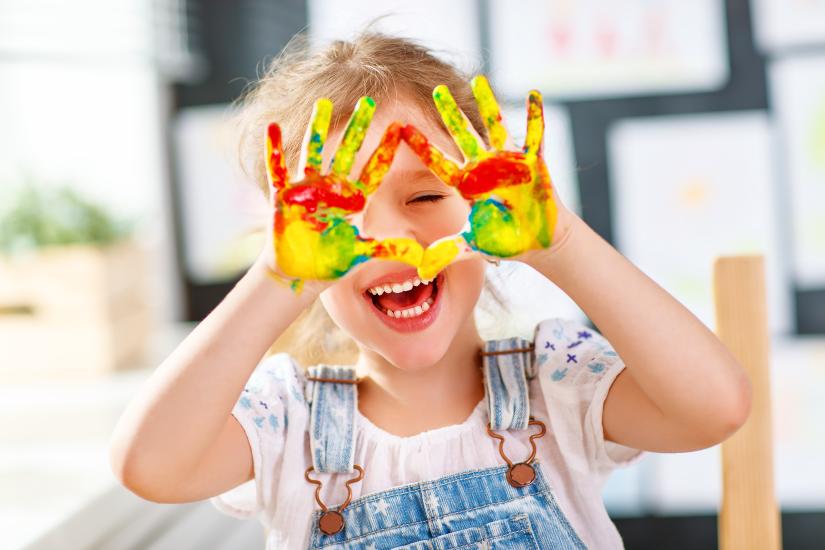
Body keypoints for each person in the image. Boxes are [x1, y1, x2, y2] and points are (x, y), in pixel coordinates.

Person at [109, 32, 752, 549]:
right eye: (343, 219)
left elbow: (715, 407)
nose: (391, 238)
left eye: (424, 195)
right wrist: (278, 280)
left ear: (488, 204)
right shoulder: (288, 426)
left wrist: (560, 244)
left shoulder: (556, 385)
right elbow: (149, 467)